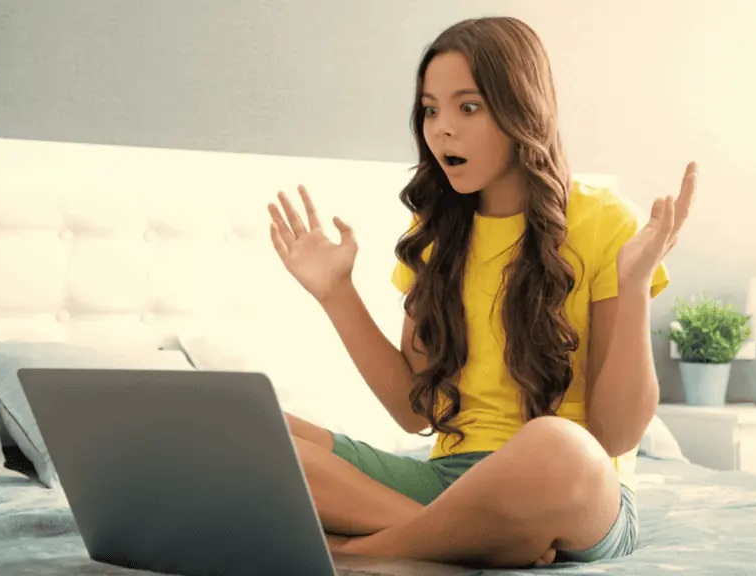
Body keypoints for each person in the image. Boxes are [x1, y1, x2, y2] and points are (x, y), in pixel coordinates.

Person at [265, 16, 695, 569]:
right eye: (430, 109)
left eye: (468, 107)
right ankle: (471, 535)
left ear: (521, 108)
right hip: (442, 479)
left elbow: (614, 435)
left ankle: (356, 552)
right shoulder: (435, 235)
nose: (442, 128)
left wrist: (635, 287)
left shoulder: (605, 220)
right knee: (256, 436)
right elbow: (414, 413)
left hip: (571, 491)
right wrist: (335, 293)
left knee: (557, 444)